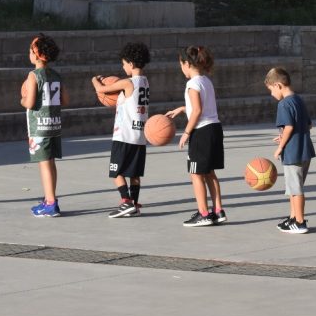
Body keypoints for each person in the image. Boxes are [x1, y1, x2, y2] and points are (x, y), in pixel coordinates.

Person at [165, 45, 225, 227]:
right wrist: (182, 109)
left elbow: (198, 110)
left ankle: (203, 213)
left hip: (201, 132)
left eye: (180, 65)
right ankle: (218, 211)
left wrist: (186, 132)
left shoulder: (192, 84)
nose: (181, 68)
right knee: (209, 173)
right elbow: (202, 107)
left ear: (187, 63)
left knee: (195, 174)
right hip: (214, 129)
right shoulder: (206, 81)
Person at [92, 42, 151, 218]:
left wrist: (95, 79)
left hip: (124, 135)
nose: (123, 67)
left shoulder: (127, 83)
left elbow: (101, 89)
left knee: (116, 171)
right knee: (134, 172)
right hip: (139, 135)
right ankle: (134, 204)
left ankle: (126, 202)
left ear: (131, 63)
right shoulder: (145, 82)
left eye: (124, 63)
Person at [21, 33, 70, 217]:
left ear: (37, 54)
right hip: (54, 124)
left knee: (44, 164)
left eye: (30, 49)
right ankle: (51, 198)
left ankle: (50, 203)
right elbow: (65, 100)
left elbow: (30, 103)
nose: (29, 52)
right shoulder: (56, 75)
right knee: (51, 162)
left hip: (39, 127)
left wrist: (22, 99)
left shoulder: (33, 75)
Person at [265, 67, 316, 234]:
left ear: (278, 85)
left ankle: (300, 222)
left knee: (296, 189)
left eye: (271, 89)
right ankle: (293, 217)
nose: (271, 94)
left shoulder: (284, 104)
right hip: (305, 150)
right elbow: (308, 125)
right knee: (294, 188)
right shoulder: (298, 99)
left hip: (293, 152)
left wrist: (280, 146)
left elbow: (289, 127)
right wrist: (285, 137)